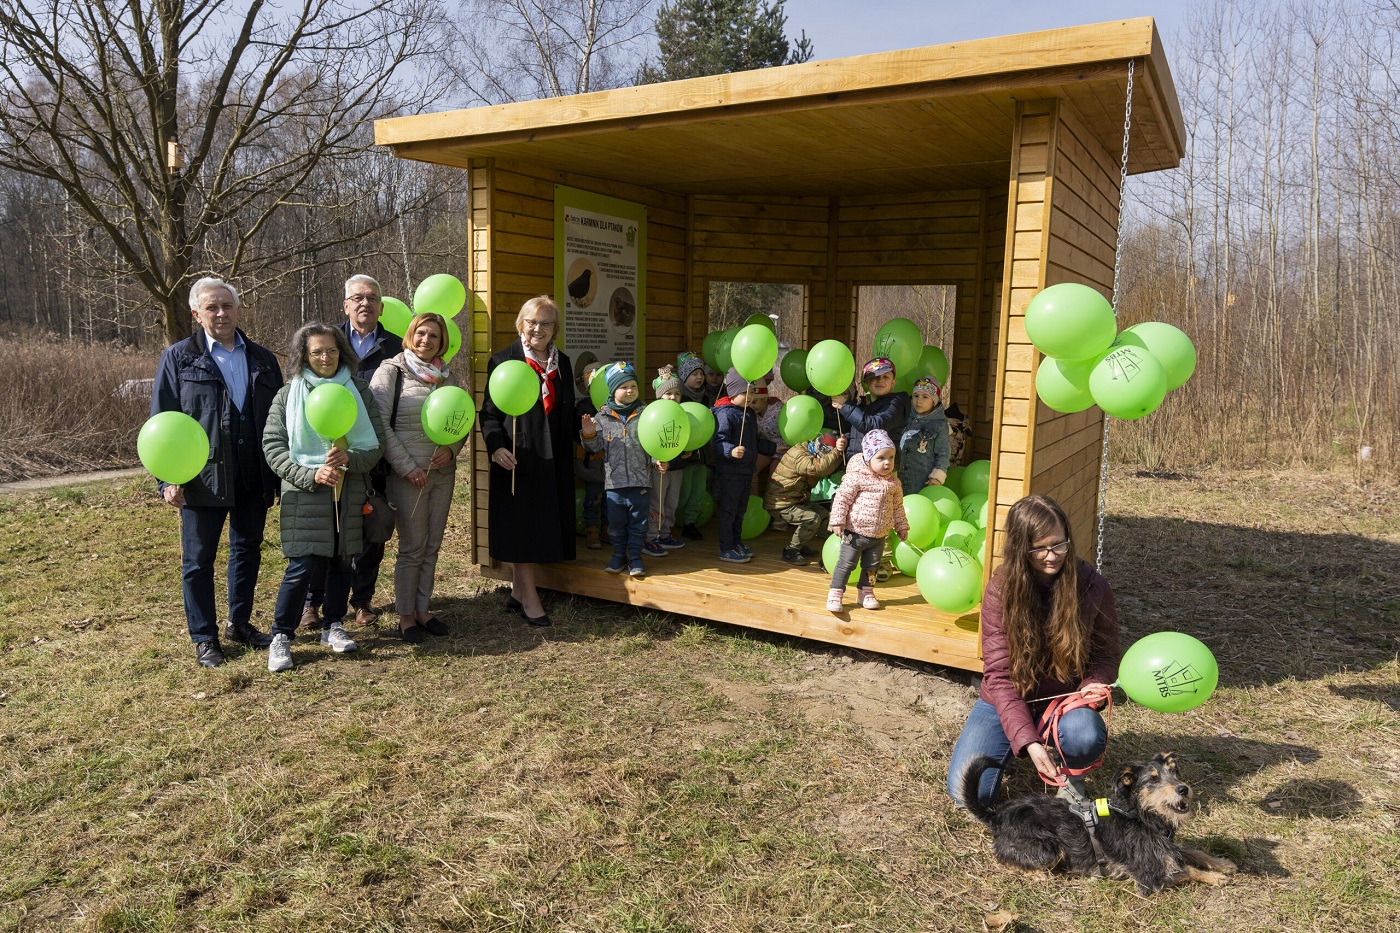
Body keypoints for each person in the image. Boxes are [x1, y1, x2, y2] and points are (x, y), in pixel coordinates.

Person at [945, 494, 1119, 809]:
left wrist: (1093, 683)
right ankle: (1016, 741)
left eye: (1059, 544)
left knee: (1085, 733)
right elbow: (999, 676)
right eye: (1039, 548)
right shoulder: (1001, 591)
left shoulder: (1092, 586)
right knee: (966, 793)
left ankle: (1072, 780)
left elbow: (1106, 655)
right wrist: (1029, 743)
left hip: (1065, 701)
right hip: (1008, 698)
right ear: (1021, 549)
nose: (1051, 556)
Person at [151, 276, 284, 669]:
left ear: (238, 309)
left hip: (253, 472)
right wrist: (166, 478)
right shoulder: (178, 358)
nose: (221, 313)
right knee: (198, 560)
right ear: (196, 313)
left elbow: (279, 420)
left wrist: (277, 475)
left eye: (227, 306)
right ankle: (205, 637)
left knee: (247, 550)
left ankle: (239, 623)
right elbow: (163, 421)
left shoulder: (263, 358)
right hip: (201, 474)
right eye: (212, 307)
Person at [261, 323, 385, 672]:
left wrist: (350, 459)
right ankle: (281, 637)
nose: (325, 357)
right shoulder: (288, 395)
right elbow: (273, 448)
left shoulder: (358, 390)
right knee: (300, 567)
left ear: (341, 352)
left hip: (348, 491)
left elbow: (376, 445)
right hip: (304, 494)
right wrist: (310, 473)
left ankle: (333, 625)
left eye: (331, 350)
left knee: (343, 561)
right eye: (317, 351)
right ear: (305, 356)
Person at [302, 274, 403, 631]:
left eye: (372, 298)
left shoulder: (396, 346)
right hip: (326, 453)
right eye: (357, 298)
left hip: (375, 452)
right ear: (345, 305)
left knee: (372, 529)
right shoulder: (329, 343)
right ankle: (312, 603)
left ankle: (361, 601)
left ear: (381, 306)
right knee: (324, 530)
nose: (365, 304)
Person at [479, 295, 576, 627]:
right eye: (532, 322)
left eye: (546, 323)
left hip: (553, 458)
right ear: (521, 323)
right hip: (517, 458)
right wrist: (495, 448)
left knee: (542, 522)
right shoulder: (503, 360)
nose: (538, 329)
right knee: (524, 526)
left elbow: (567, 409)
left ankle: (519, 593)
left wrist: (586, 431)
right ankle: (530, 600)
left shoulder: (562, 362)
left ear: (555, 329)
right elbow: (489, 416)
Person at [369, 312, 464, 644]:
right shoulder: (391, 372)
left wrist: (451, 450)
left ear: (442, 342)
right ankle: (406, 616)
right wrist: (407, 467)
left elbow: (459, 418)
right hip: (407, 476)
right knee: (412, 547)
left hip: (442, 473)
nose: (426, 340)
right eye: (421, 333)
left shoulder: (447, 377)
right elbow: (379, 424)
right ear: (410, 335)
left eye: (434, 336)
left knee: (433, 545)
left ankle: (424, 610)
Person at [826, 429, 908, 611]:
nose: (887, 463)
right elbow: (842, 498)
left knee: (872, 567)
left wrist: (901, 526)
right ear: (868, 458)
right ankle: (835, 593)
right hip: (855, 533)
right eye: (881, 458)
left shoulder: (894, 483)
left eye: (891, 457)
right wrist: (837, 521)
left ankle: (866, 592)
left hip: (878, 536)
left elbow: (898, 507)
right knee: (846, 564)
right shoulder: (857, 477)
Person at [711, 368, 776, 563]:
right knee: (729, 511)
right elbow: (718, 442)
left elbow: (754, 441)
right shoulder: (725, 414)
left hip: (746, 470)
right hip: (731, 471)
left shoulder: (748, 414)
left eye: (752, 392)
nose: (750, 397)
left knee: (740, 510)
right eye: (745, 392)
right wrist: (730, 450)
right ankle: (726, 547)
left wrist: (773, 448)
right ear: (732, 393)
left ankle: (736, 542)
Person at [763, 430, 847, 564]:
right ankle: (790, 550)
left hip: (794, 500)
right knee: (812, 519)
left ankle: (802, 544)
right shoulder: (801, 456)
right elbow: (816, 468)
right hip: (781, 503)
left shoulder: (807, 449)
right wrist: (837, 451)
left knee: (824, 515)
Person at [643, 365, 689, 557]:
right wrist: (656, 459)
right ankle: (650, 537)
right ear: (659, 395)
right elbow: (648, 439)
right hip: (658, 467)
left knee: (672, 502)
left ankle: (665, 533)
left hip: (677, 467)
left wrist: (690, 452)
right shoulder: (653, 413)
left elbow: (686, 437)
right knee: (656, 503)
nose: (672, 397)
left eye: (677, 393)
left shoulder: (684, 413)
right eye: (668, 393)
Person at [832, 358, 911, 465]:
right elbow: (858, 433)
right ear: (866, 382)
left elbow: (875, 427)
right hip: (858, 465)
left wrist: (845, 406)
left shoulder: (895, 404)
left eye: (886, 377)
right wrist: (846, 440)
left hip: (882, 469)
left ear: (893, 383)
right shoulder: (861, 405)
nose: (880, 380)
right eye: (875, 377)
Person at [675, 351, 711, 540]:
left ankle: (690, 523)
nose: (699, 377)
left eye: (701, 373)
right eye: (694, 374)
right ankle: (668, 524)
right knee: (683, 492)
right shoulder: (680, 399)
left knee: (698, 491)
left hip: (702, 453)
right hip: (685, 455)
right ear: (683, 377)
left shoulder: (705, 398)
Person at [573, 359, 608, 550]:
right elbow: (580, 433)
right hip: (593, 462)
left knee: (609, 499)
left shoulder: (613, 405)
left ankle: (607, 528)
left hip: (611, 463)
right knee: (593, 498)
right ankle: (591, 529)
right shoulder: (584, 407)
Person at [898, 376, 951, 496]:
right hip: (898, 477)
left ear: (934, 401)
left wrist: (937, 477)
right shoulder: (904, 416)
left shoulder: (940, 424)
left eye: (925, 397)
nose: (919, 401)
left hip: (921, 481)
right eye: (916, 396)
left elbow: (943, 453)